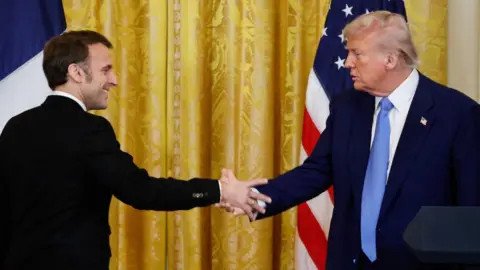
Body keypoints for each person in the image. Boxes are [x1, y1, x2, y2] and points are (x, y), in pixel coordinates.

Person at [222, 11, 480, 270]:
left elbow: (471, 213)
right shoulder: (347, 107)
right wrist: (252, 196)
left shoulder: (456, 114)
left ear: (390, 59)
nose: (347, 63)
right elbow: (315, 173)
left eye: (357, 53)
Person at [0, 30, 270, 270]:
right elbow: (142, 192)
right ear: (77, 73)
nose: (114, 80)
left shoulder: (14, 127)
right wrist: (220, 190)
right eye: (106, 69)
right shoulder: (90, 129)